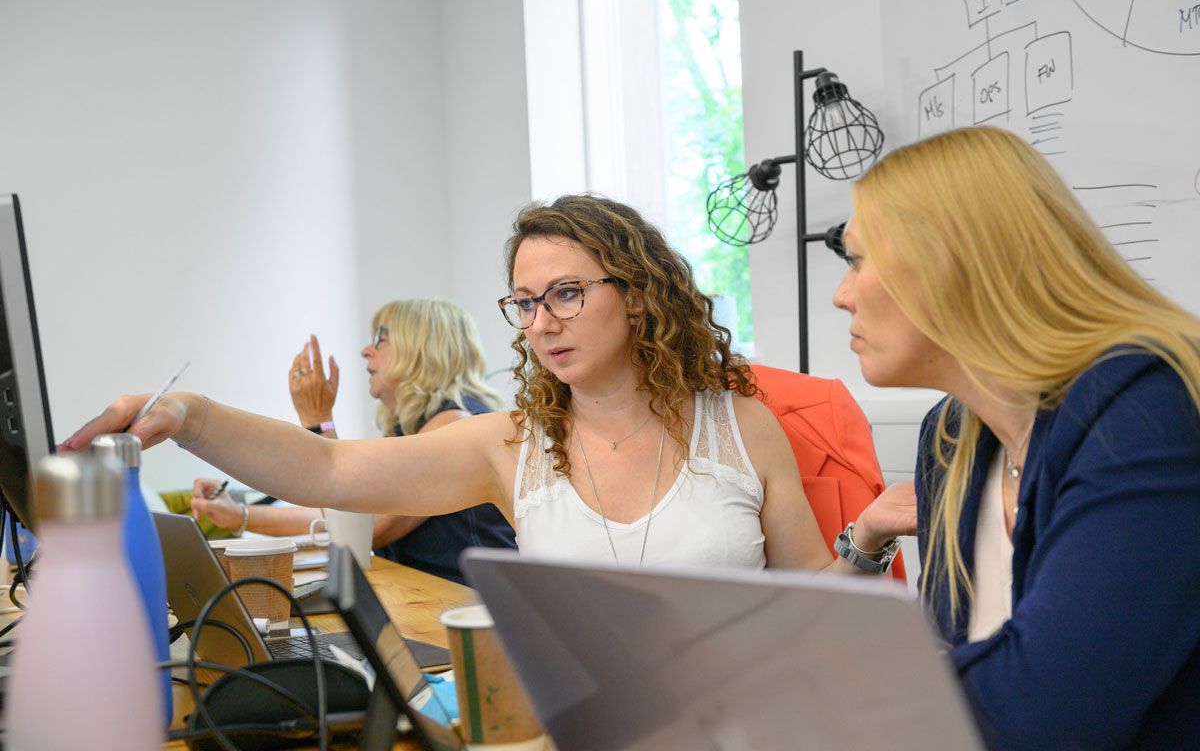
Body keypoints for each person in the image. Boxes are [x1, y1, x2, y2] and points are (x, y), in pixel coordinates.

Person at [63, 194, 912, 571]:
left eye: (568, 294)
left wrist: (867, 540)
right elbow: (328, 474)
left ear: (642, 296)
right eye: (526, 301)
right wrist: (188, 414)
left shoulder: (741, 426)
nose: (541, 322)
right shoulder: (513, 447)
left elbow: (813, 603)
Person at [831, 126, 1200, 750]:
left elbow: (1046, 709)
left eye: (858, 260)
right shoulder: (950, 435)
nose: (842, 296)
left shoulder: (1145, 406)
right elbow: (965, 661)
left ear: (953, 261)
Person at [190, 300, 516, 585]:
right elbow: (336, 515)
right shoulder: (417, 428)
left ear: (421, 350)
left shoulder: (455, 424)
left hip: (469, 609)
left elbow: (365, 527)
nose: (366, 350)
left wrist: (318, 420)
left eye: (381, 339)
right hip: (432, 599)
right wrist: (241, 516)